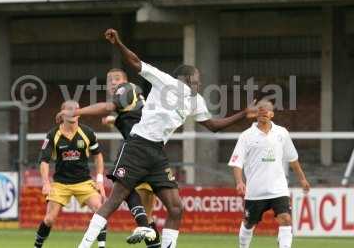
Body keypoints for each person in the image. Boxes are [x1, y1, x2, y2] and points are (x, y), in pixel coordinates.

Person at [78, 29, 256, 248]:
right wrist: (118, 43)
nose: (198, 83)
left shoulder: (196, 101)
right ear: (184, 79)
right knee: (115, 200)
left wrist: (243, 115)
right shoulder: (165, 81)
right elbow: (134, 61)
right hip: (137, 145)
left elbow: (213, 126)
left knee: (176, 208)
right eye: (196, 79)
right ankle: (84, 245)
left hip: (157, 153)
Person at [57, 68, 160, 247]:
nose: (113, 82)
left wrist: (76, 112)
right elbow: (138, 114)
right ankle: (147, 229)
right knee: (154, 213)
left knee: (119, 184)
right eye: (110, 79)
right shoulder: (131, 99)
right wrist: (114, 120)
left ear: (125, 80)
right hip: (151, 153)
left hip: (140, 151)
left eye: (117, 78)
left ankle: (86, 244)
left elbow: (107, 107)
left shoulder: (127, 89)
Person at [228, 99, 310, 248]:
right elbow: (236, 162)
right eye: (260, 111)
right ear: (256, 115)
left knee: (285, 218)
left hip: (278, 188)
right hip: (255, 191)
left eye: (266, 112)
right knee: (249, 223)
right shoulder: (246, 136)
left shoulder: (281, 133)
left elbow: (293, 159)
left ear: (272, 114)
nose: (263, 114)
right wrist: (239, 181)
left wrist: (302, 179)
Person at [33, 100, 107, 248]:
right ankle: (37, 245)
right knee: (49, 219)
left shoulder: (88, 133)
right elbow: (44, 161)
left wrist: (99, 180)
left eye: (76, 109)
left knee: (100, 210)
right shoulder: (52, 135)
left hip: (84, 182)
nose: (73, 112)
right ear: (62, 113)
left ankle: (102, 246)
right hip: (61, 183)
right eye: (69, 109)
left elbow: (98, 156)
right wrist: (46, 183)